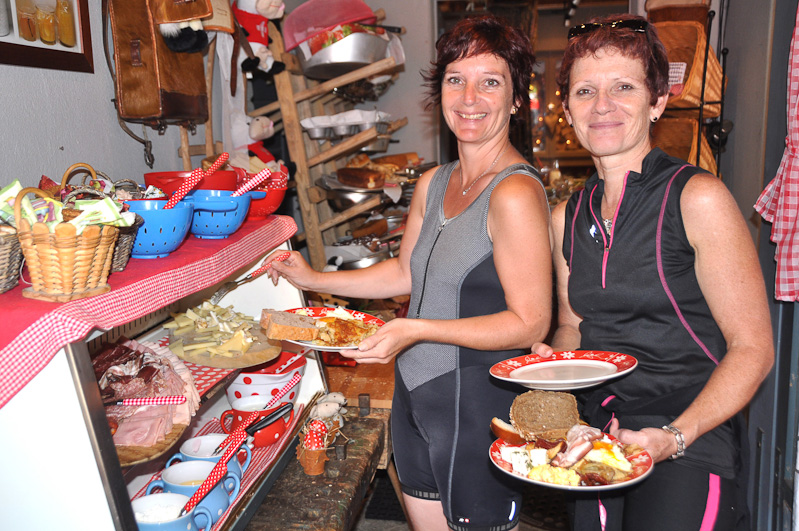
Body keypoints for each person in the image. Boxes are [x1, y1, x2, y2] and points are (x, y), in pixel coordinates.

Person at [262, 14, 551, 531]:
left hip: (478, 409)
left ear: (514, 99)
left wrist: (413, 329)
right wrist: (313, 279)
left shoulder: (514, 193)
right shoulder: (433, 183)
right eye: (456, 79)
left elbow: (530, 323)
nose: (469, 98)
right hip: (416, 397)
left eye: (490, 82)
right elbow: (404, 273)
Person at [533, 13, 774, 530]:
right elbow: (574, 324)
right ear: (568, 112)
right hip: (600, 430)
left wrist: (675, 436)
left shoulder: (698, 198)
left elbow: (753, 348)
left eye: (623, 87)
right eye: (584, 91)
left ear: (658, 101)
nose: (602, 105)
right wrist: (556, 363)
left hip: (689, 435)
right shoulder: (565, 216)